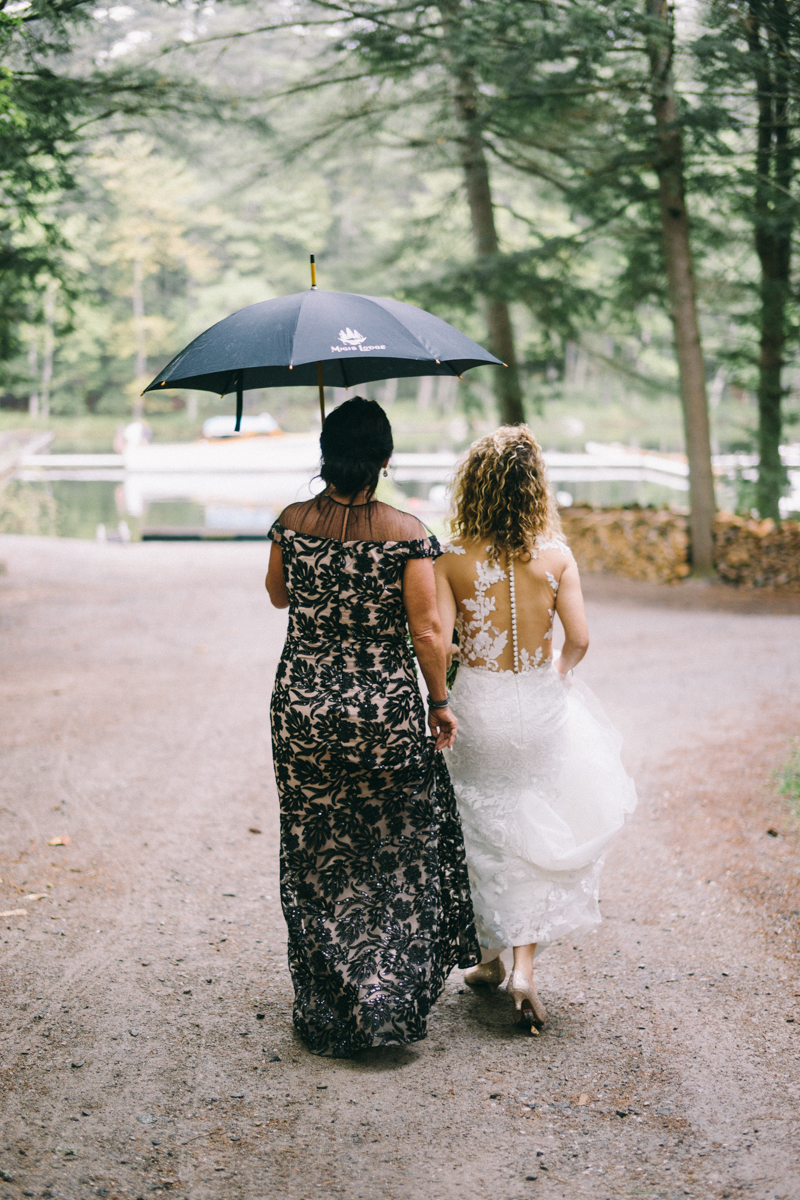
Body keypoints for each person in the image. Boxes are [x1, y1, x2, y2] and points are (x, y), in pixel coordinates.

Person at [265, 396, 479, 1057]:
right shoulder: (407, 531)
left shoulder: (291, 522)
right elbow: (426, 628)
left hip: (303, 709)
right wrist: (439, 702)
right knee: (396, 855)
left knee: (318, 855)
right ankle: (384, 1001)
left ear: (325, 455)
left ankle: (330, 1002)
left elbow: (278, 595)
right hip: (384, 713)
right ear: (385, 459)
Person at [434, 426, 637, 1033]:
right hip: (538, 702)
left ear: (474, 488)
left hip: (479, 704)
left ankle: (493, 958)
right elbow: (579, 639)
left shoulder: (451, 558)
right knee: (533, 819)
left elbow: (443, 643)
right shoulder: (556, 557)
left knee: (487, 827)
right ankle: (514, 966)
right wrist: (557, 674)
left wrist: (441, 689)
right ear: (533, 489)